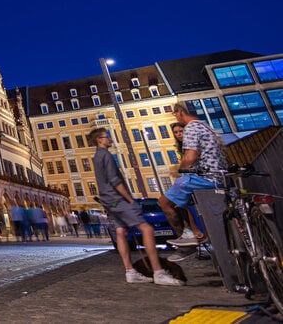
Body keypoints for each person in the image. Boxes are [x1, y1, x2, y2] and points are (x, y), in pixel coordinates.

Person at [88, 127, 183, 285]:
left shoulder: (96, 156)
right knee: (147, 229)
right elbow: (114, 180)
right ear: (99, 140)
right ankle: (158, 272)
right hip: (117, 198)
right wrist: (129, 199)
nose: (110, 139)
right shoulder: (105, 155)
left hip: (107, 199)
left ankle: (130, 271)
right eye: (107, 137)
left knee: (121, 232)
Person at [161, 104, 228, 246]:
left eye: (175, 114)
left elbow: (190, 157)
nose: (176, 117)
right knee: (180, 201)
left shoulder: (191, 127)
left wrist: (181, 170)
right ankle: (194, 232)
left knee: (165, 202)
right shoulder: (204, 126)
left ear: (180, 112)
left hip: (206, 177)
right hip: (219, 176)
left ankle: (186, 238)